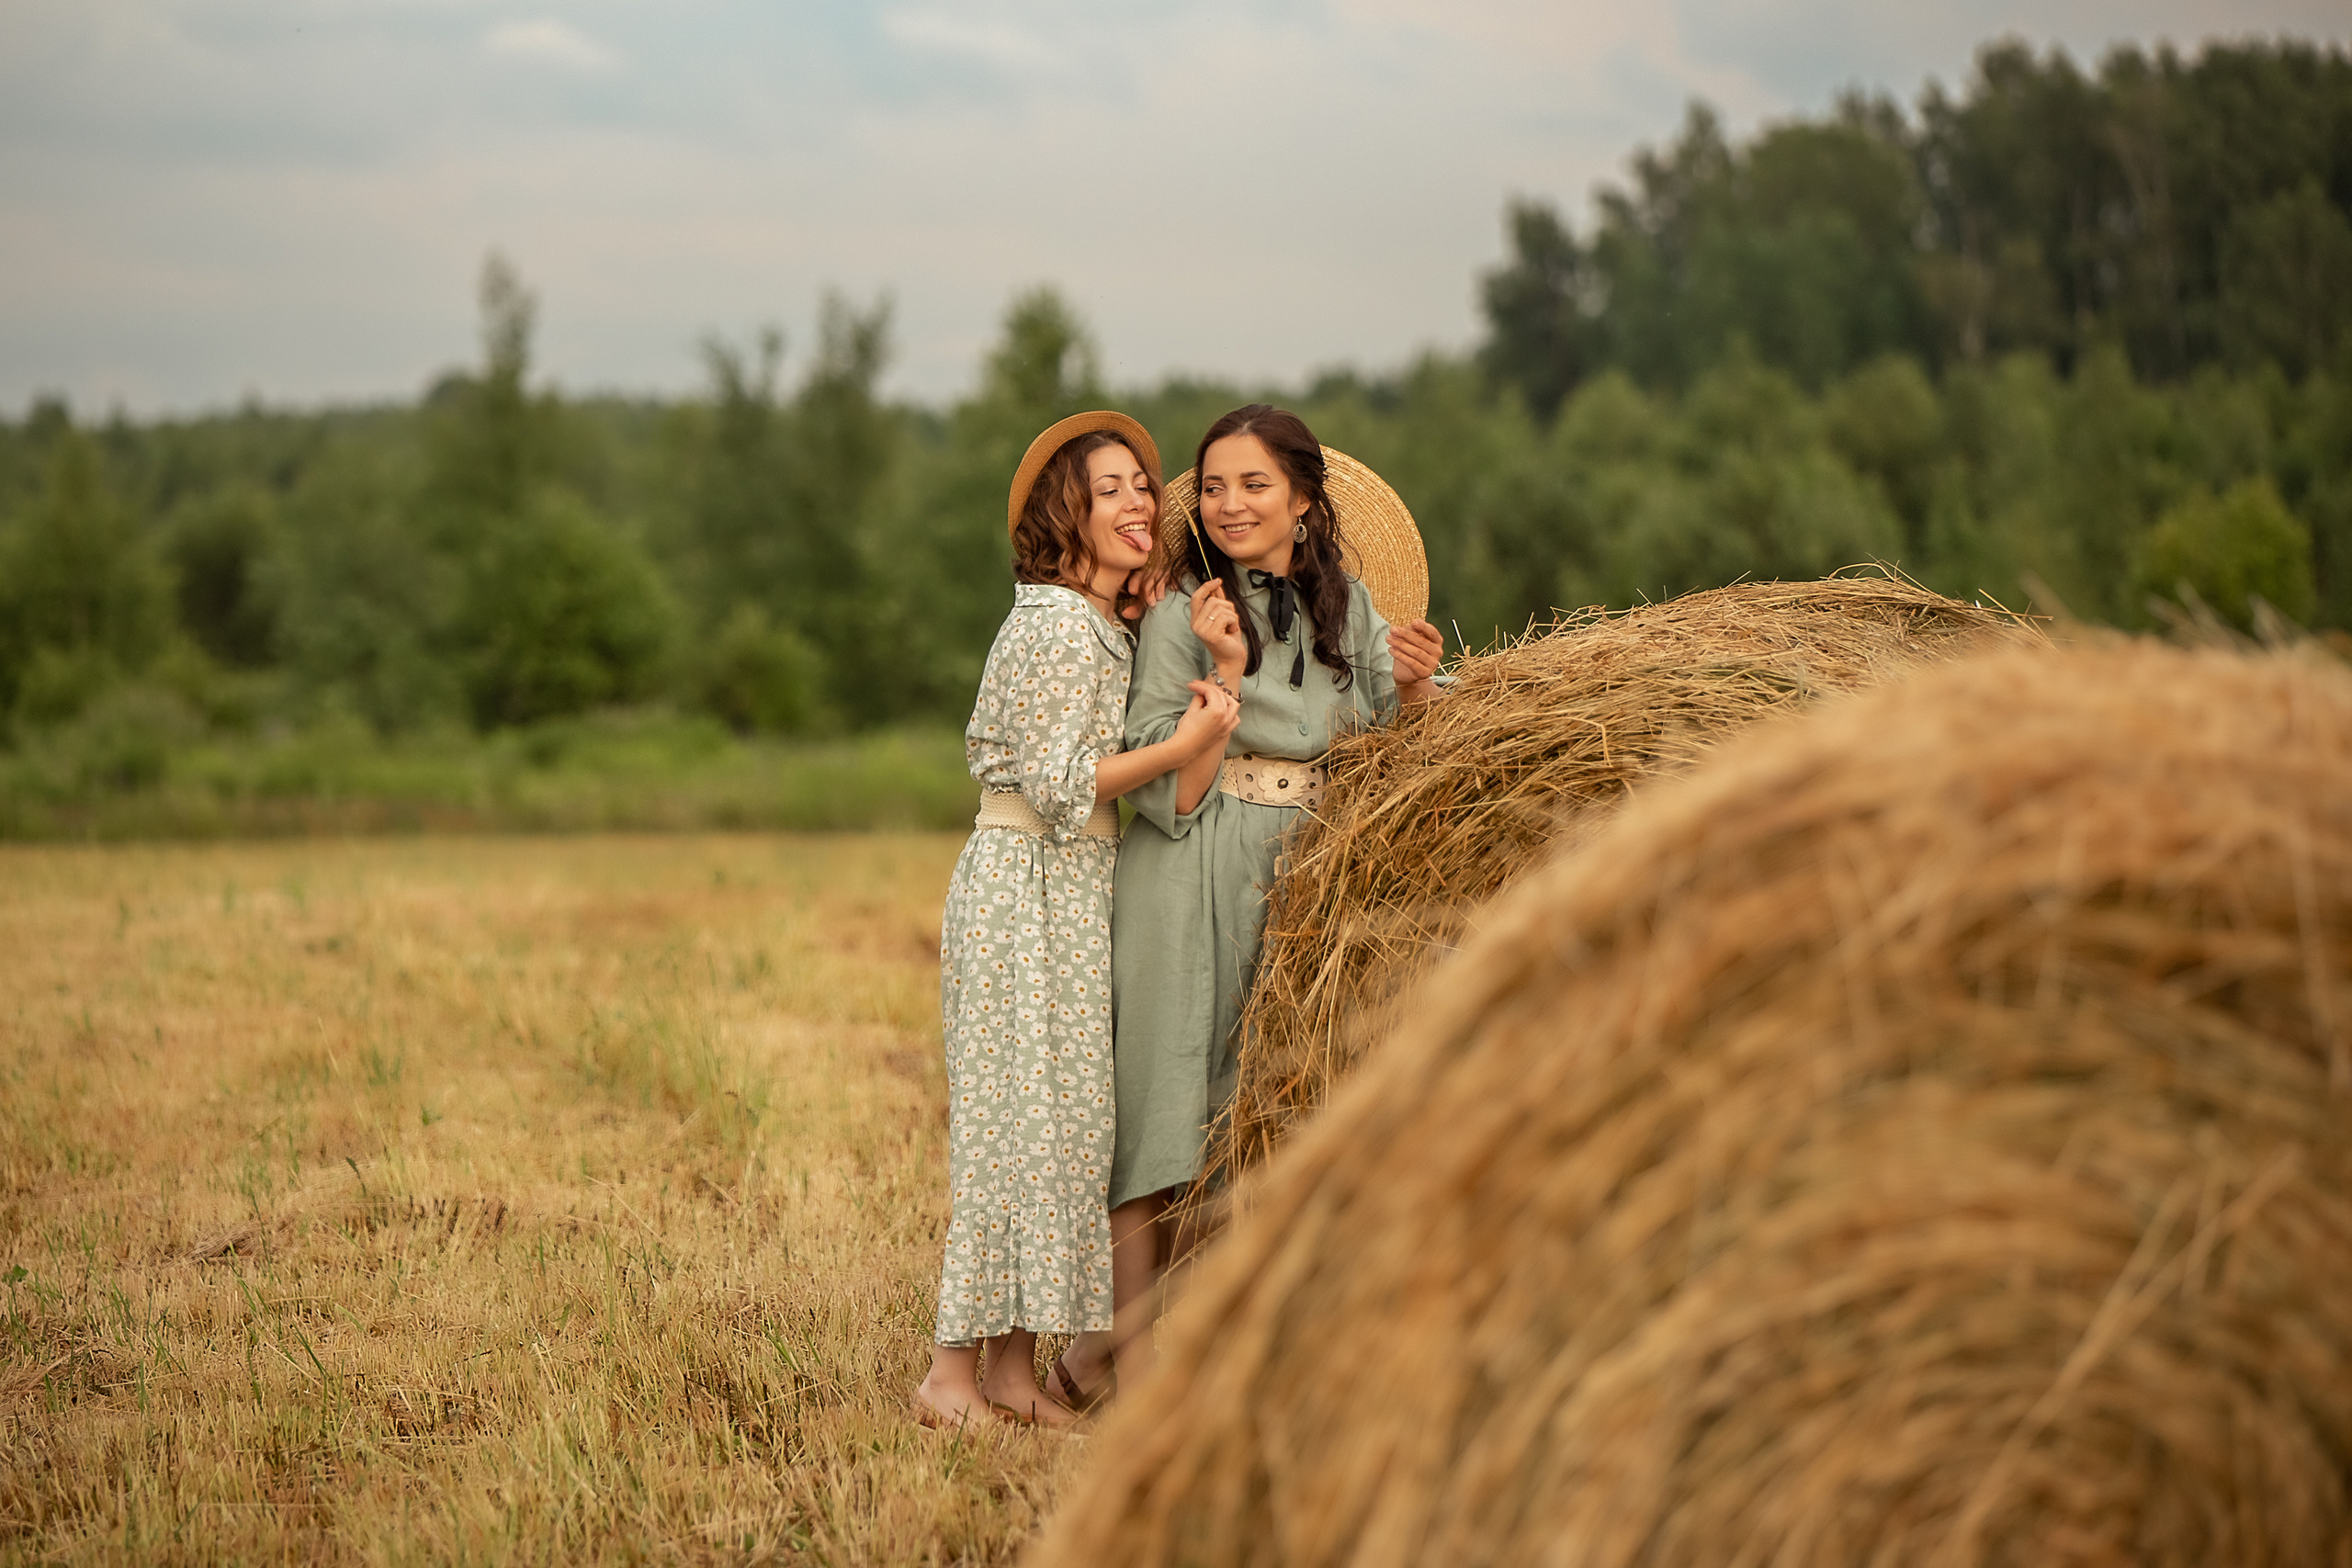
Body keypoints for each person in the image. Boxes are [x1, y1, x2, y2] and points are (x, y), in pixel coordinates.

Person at [1100, 404, 1444, 1386]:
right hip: (1189, 865)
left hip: (1304, 871)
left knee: (1268, 1103)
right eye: (1213, 486)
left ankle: (1232, 1357)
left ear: (1301, 500)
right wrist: (1228, 673)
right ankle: (1133, 1373)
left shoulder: (1356, 614)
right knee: (1164, 1102)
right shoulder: (1182, 616)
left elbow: (1397, 762)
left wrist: (1414, 693)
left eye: (1253, 484)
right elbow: (1161, 782)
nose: (1229, 502)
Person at [910, 412, 1241, 1432]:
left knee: (1061, 1137)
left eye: (1144, 485)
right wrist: (1188, 738)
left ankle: (1012, 1376)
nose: (1138, 501)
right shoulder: (1055, 626)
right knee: (1017, 1130)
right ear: (1067, 512)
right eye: (1110, 489)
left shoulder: (1101, 625)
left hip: (1070, 886)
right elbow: (1060, 786)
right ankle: (947, 1377)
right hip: (1026, 885)